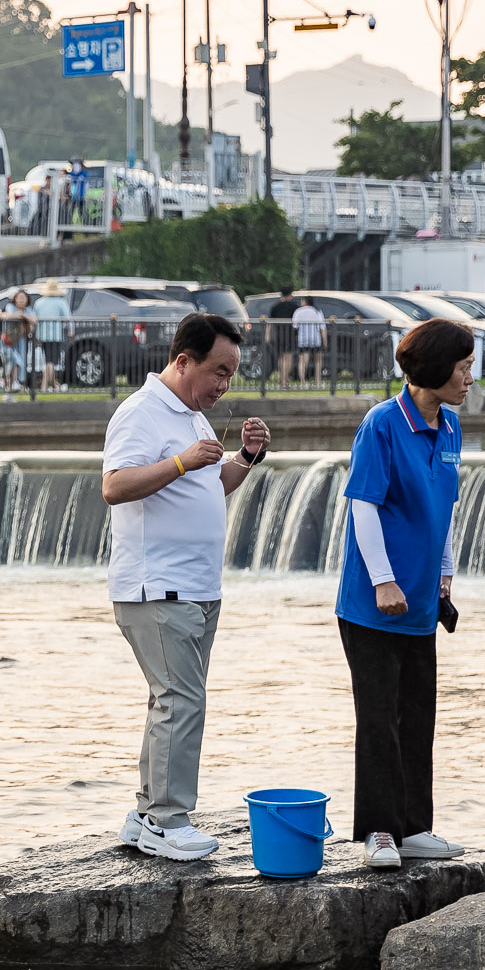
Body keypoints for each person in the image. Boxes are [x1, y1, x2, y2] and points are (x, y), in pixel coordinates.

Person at [99, 313, 272, 861]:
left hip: (198, 588)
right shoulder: (142, 413)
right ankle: (168, 821)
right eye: (218, 371)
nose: (224, 385)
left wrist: (244, 458)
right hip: (156, 587)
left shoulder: (195, 418)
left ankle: (146, 812)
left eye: (231, 375)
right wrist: (177, 462)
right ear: (183, 362)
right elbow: (114, 486)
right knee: (181, 700)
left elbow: (211, 485)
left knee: (168, 701)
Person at [335, 318, 473, 871]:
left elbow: (443, 508)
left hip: (419, 602)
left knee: (418, 716)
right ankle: (378, 832)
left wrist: (444, 572)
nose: (469, 378)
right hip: (372, 606)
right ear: (435, 370)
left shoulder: (451, 428)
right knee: (378, 718)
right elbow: (363, 505)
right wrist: (383, 580)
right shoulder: (383, 425)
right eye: (462, 368)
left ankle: (415, 827)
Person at [31, 279, 70, 392]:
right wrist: (71, 332)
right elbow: (68, 319)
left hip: (43, 335)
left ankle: (52, 385)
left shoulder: (39, 302)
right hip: (56, 335)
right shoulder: (61, 302)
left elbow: (35, 320)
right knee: (52, 362)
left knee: (48, 361)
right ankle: (46, 385)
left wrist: (36, 334)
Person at [266, 288, 300, 386]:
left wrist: (267, 335)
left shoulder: (275, 306)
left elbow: (269, 322)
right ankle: (284, 381)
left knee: (281, 357)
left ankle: (283, 378)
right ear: (289, 295)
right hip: (290, 335)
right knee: (288, 357)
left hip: (279, 335)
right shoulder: (294, 307)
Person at [293, 295, 326, 385]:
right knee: (318, 361)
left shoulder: (298, 311)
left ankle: (303, 382)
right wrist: (325, 341)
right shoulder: (317, 311)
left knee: (303, 361)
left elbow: (295, 326)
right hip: (316, 339)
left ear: (304, 301)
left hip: (303, 339)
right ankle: (318, 381)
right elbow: (322, 328)